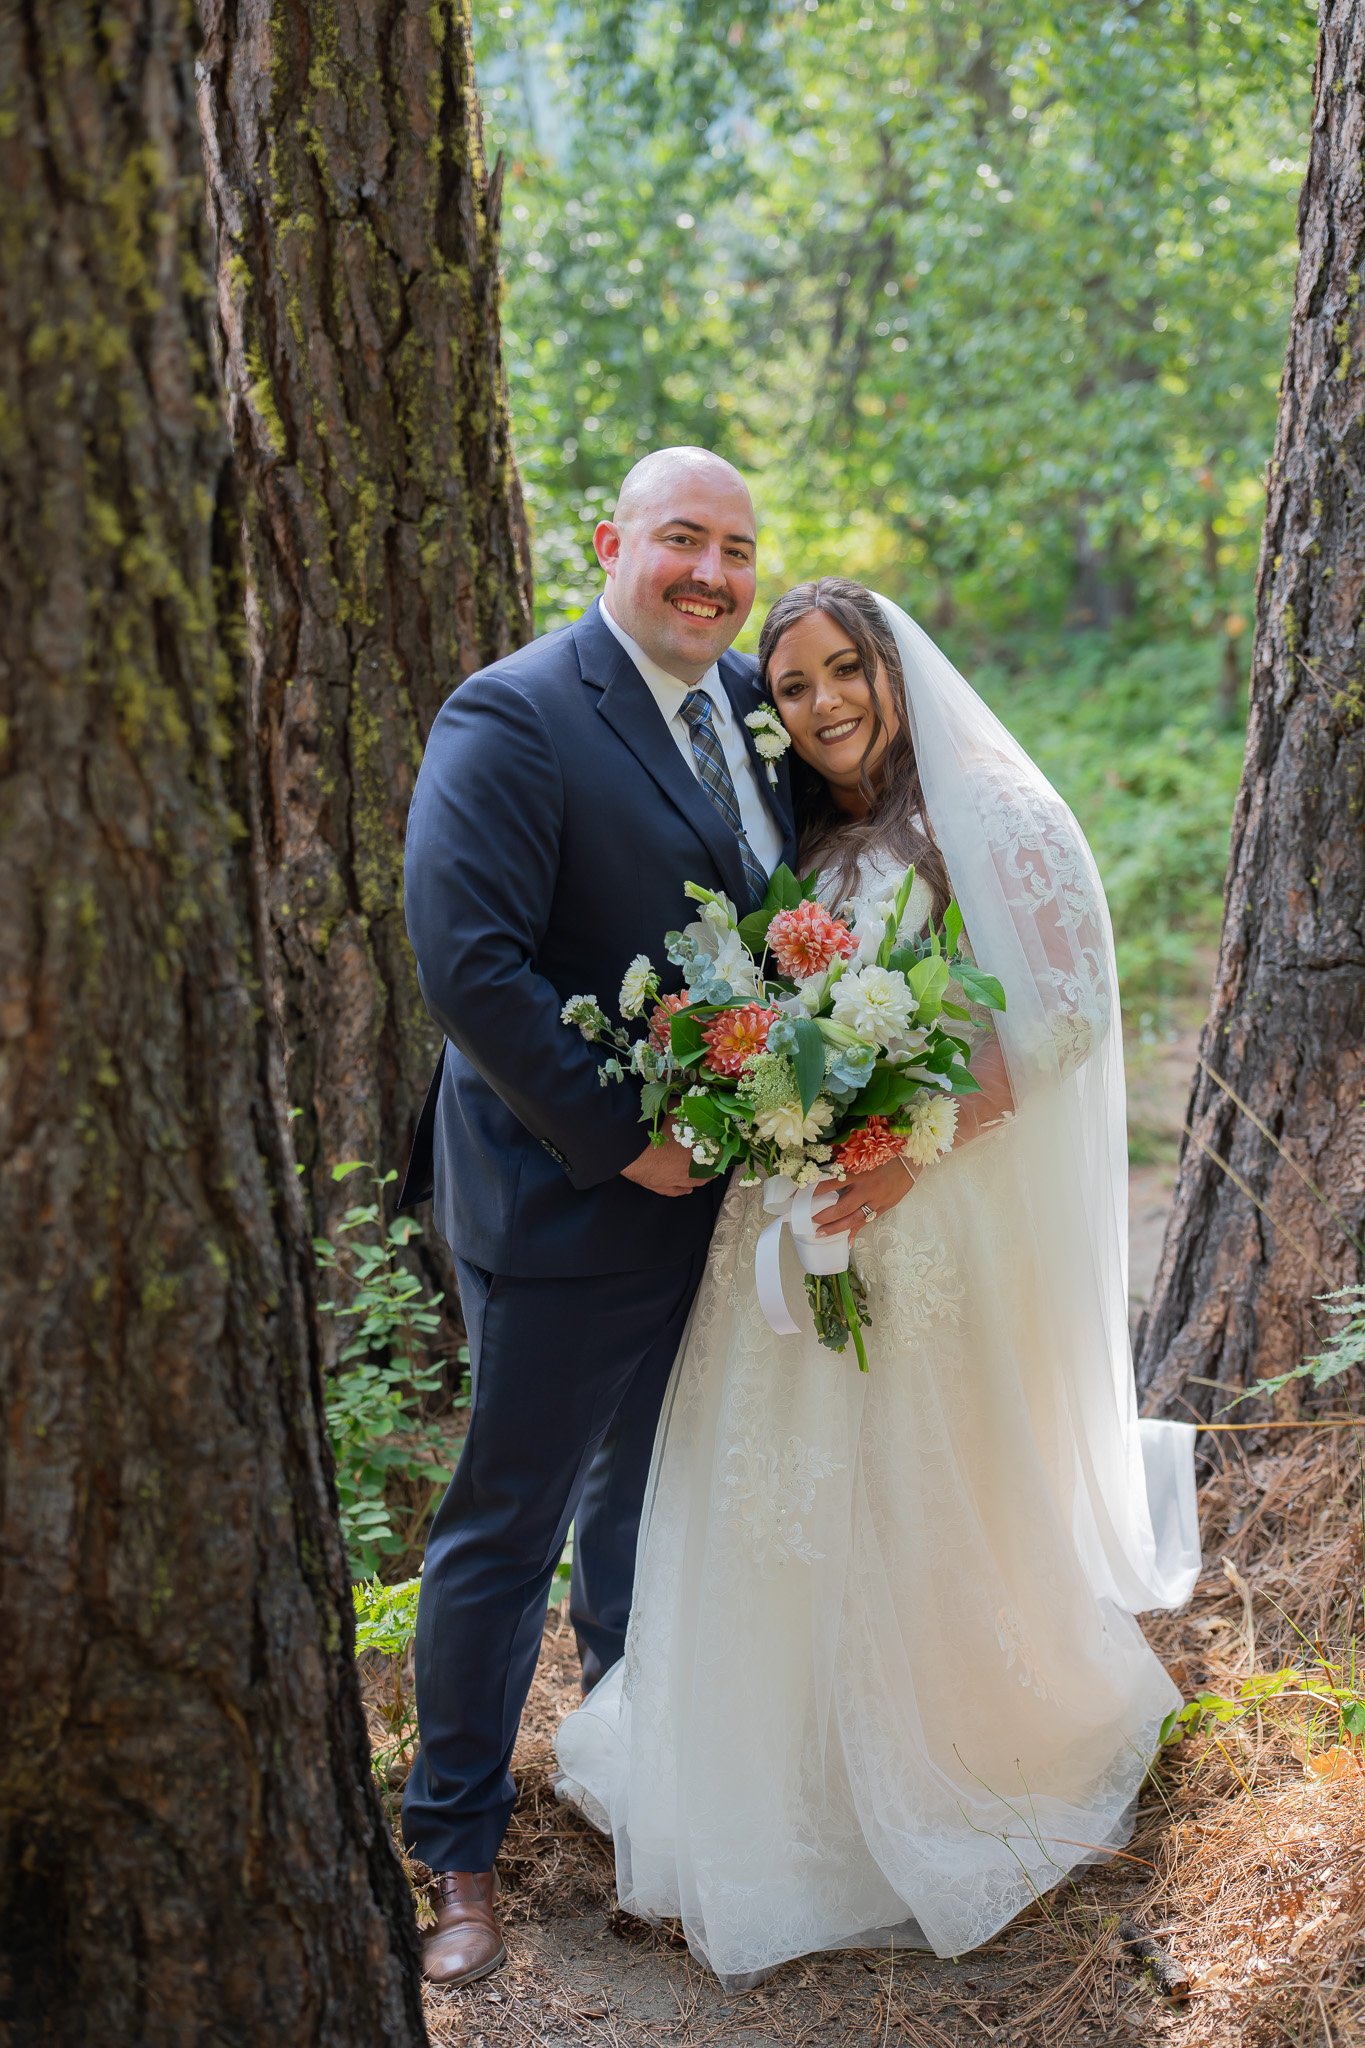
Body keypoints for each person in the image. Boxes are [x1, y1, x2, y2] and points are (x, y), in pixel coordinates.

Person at [554, 578, 1201, 1985]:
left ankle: (952, 1758)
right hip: (801, 1212)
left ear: (893, 669)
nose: (824, 702)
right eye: (792, 688)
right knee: (779, 1479)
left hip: (930, 1209)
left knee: (921, 1474)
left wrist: (903, 1152)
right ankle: (777, 1779)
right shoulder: (812, 839)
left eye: (844, 670)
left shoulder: (998, 819)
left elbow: (1070, 1015)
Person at [396, 447, 795, 1985]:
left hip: (722, 1203)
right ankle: (458, 1852)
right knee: (509, 1525)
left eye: (737, 549)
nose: (710, 572)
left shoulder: (753, 703)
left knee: (653, 1509)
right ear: (610, 542)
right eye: (683, 539)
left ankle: (638, 1793)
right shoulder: (514, 711)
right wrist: (626, 1140)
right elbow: (468, 964)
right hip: (571, 1202)